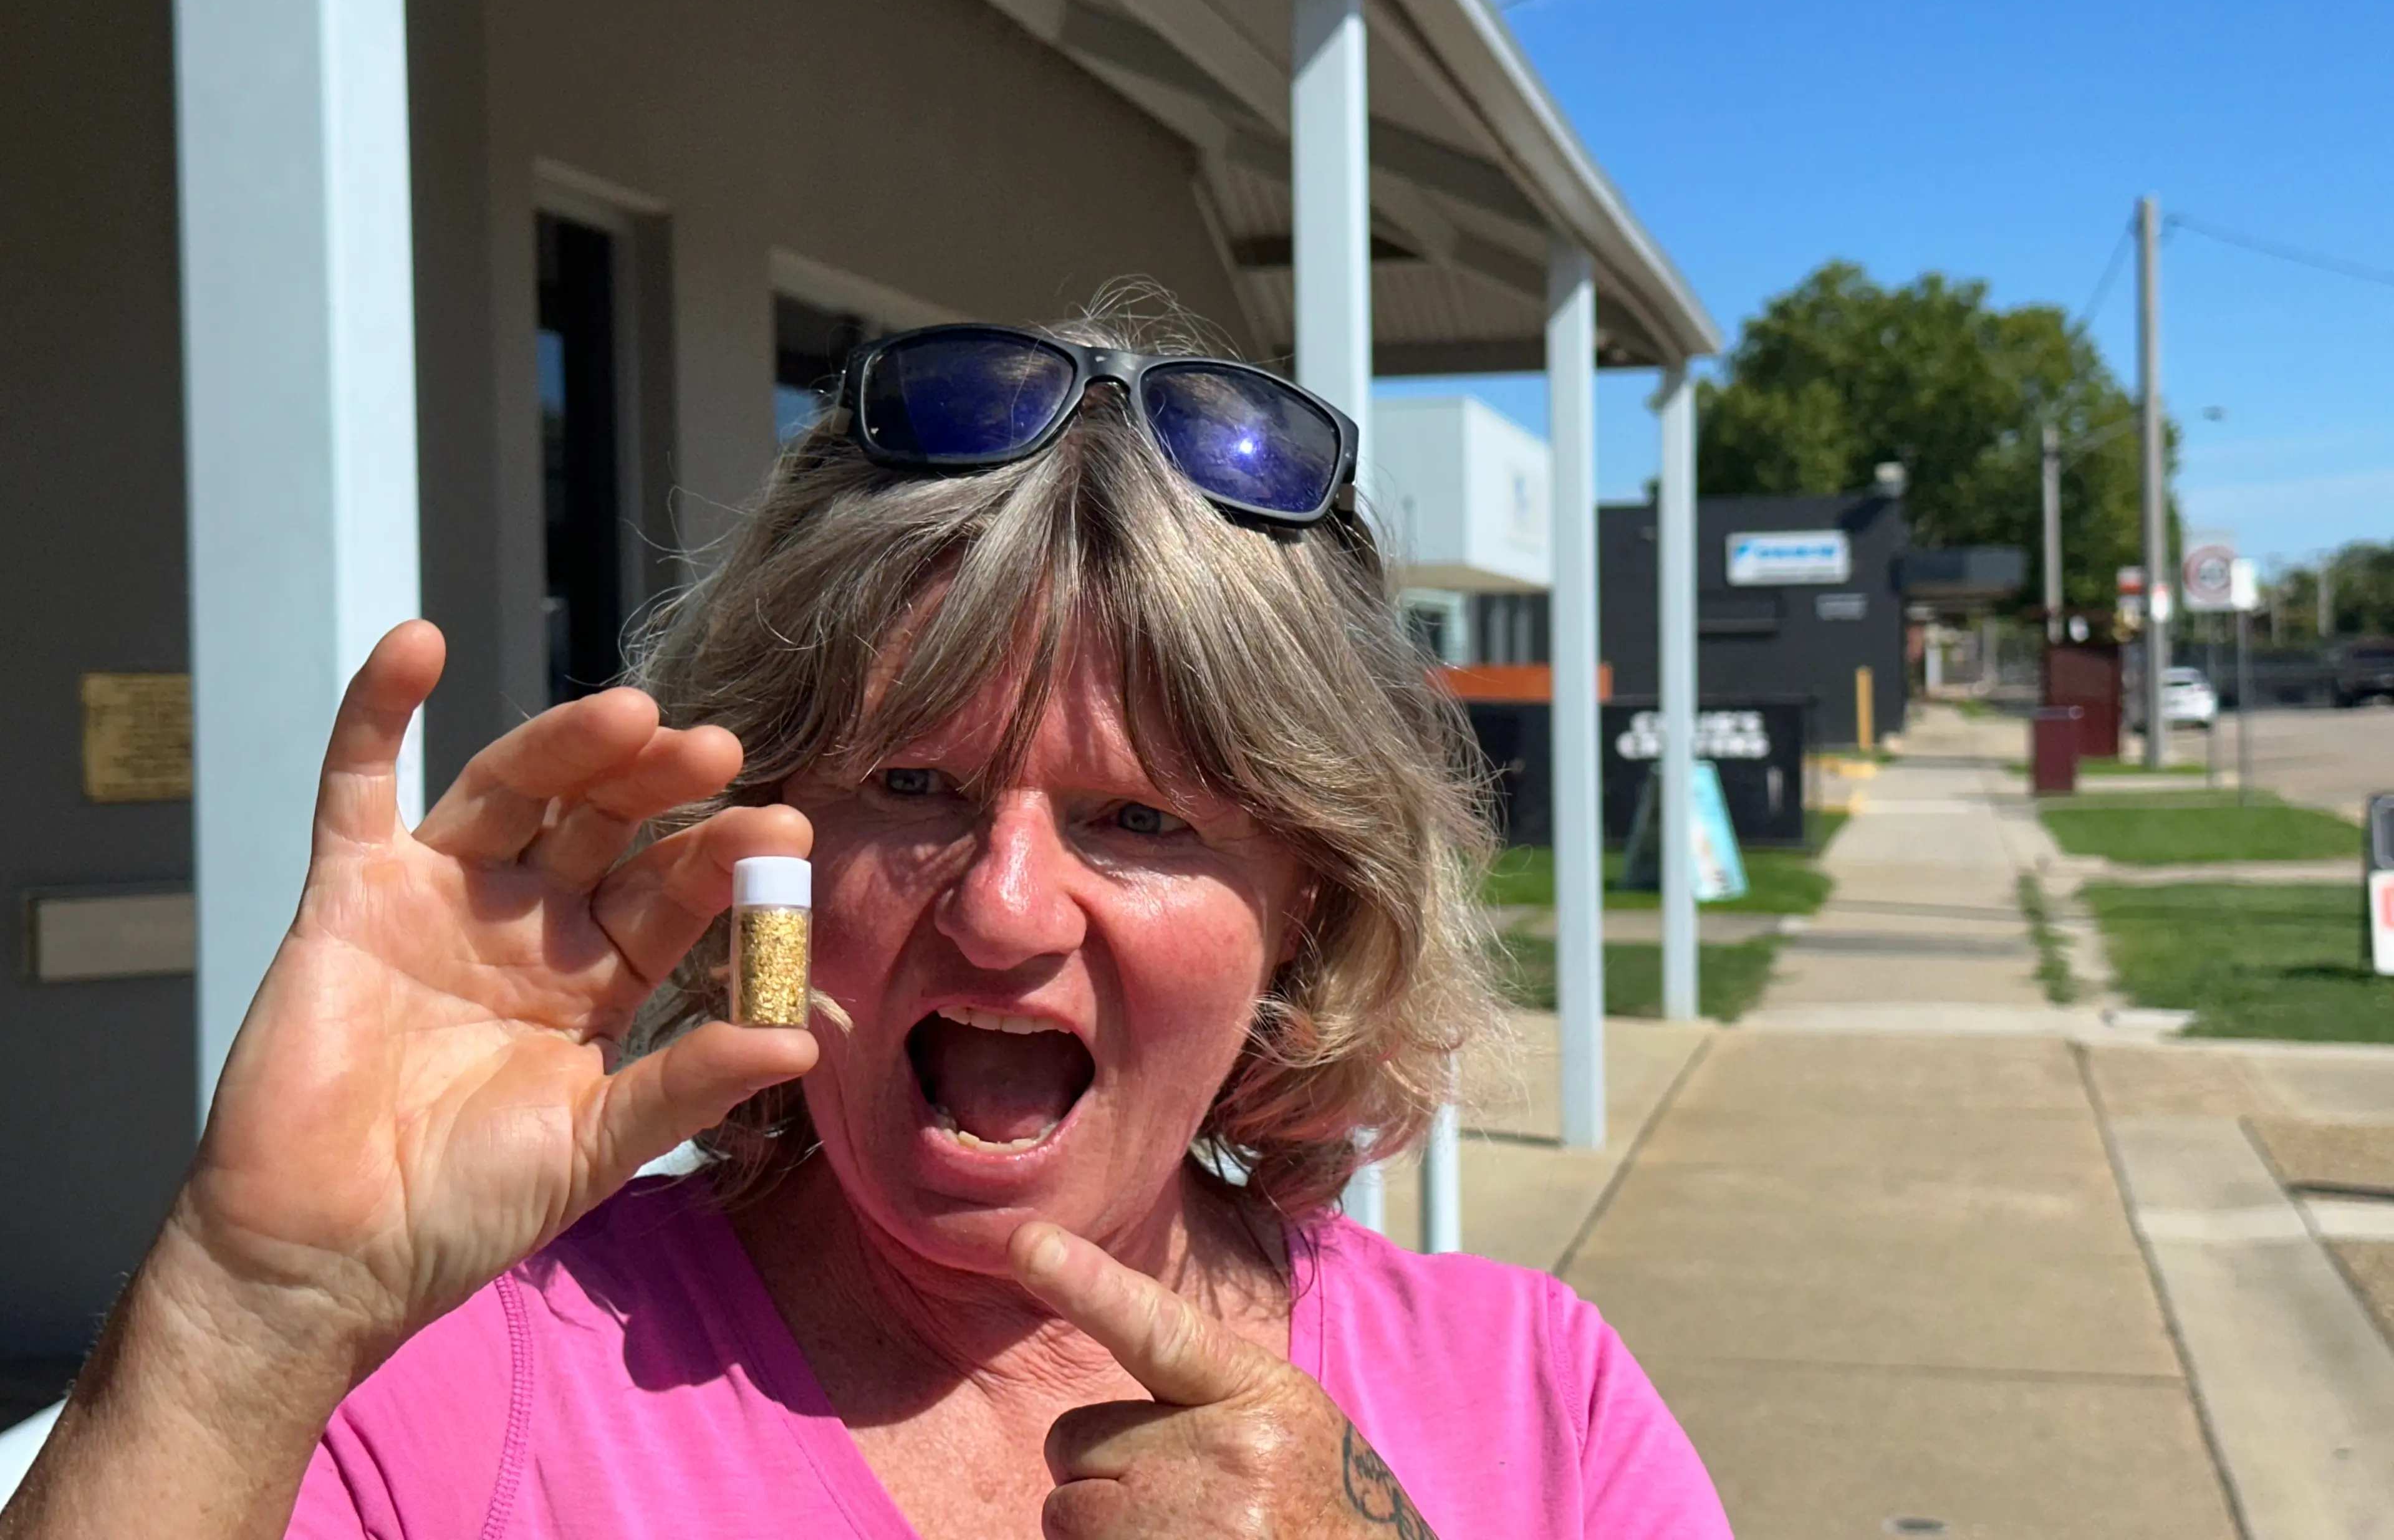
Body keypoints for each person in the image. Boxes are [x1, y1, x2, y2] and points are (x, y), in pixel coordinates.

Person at [0, 316, 1729, 1539]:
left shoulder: (1536, 1404)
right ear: (762, 851)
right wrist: (248, 1317)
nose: (1000, 905)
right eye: (911, 783)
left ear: (1307, 912)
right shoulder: (460, 1390)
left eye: (1143, 821)